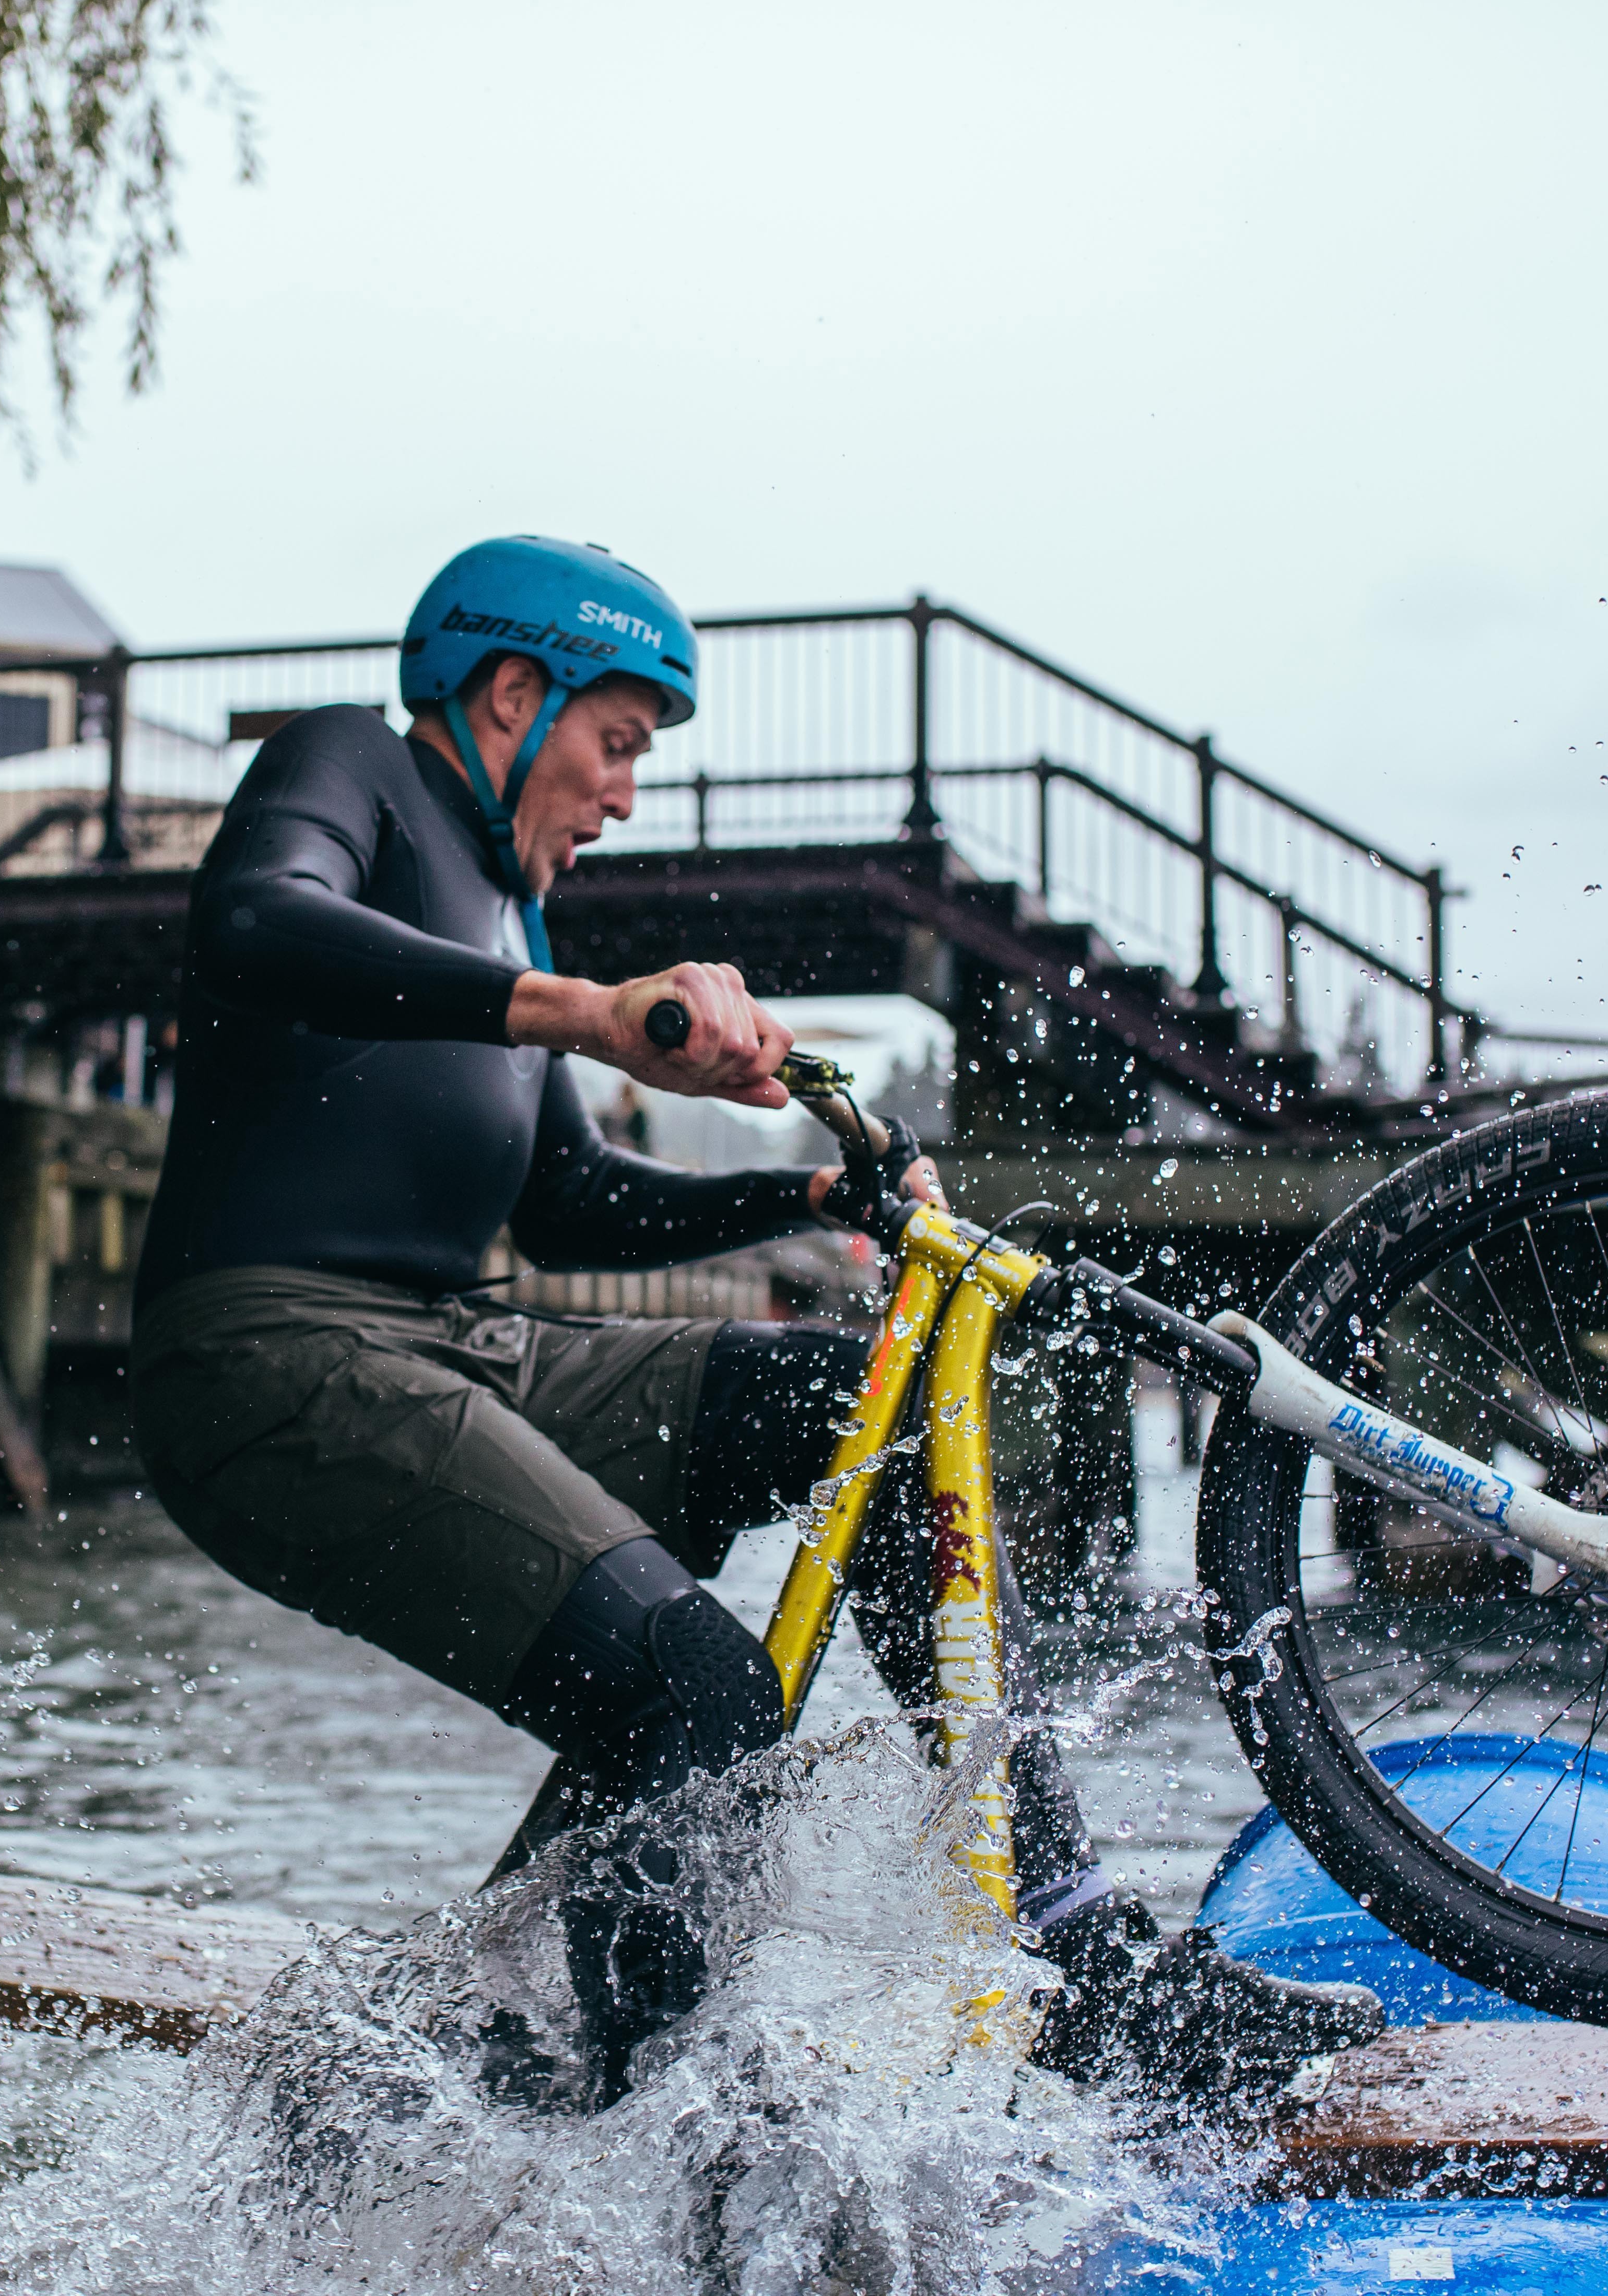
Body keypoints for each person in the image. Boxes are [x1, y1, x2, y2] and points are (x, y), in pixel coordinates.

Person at [128, 535, 1378, 2115]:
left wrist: (808, 1196)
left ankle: (1081, 1961)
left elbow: (572, 1205)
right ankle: (649, 2145)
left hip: (463, 1340)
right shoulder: (354, 767)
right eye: (617, 745)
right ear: (512, 695)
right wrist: (584, 1013)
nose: (626, 797)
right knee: (702, 1692)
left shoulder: (513, 926)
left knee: (860, 1414)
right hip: (270, 1357)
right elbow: (253, 919)